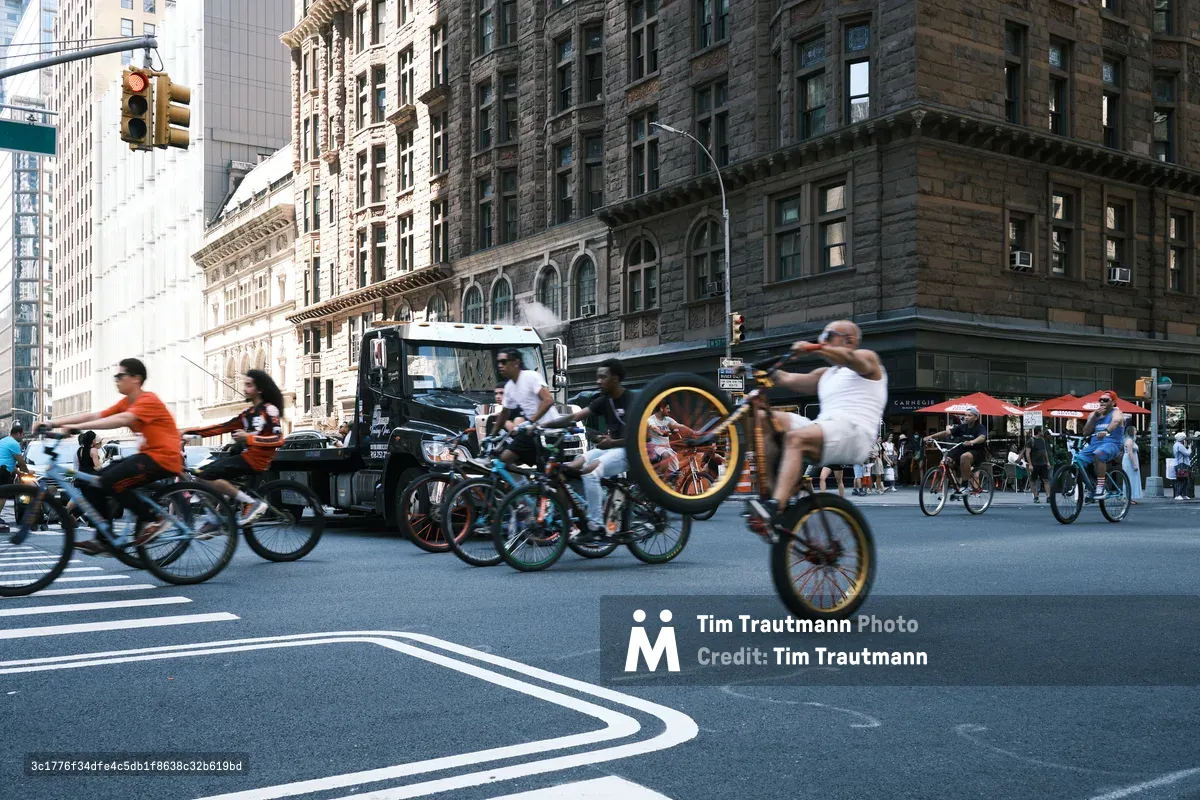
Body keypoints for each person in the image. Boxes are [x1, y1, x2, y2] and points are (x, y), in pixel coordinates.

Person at [752, 320, 888, 524]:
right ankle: (775, 496)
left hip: (854, 433)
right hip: (826, 427)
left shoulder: (868, 359)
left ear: (849, 339)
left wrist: (814, 348)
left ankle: (775, 506)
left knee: (795, 438)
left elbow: (849, 358)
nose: (822, 340)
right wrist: (754, 368)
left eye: (828, 336)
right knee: (763, 418)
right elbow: (787, 379)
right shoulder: (826, 374)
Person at [47, 358, 182, 554]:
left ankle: (156, 520)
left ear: (135, 378)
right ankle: (104, 540)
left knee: (111, 481)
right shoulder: (127, 402)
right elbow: (95, 416)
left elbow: (120, 420)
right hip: (147, 456)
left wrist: (76, 428)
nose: (116, 380)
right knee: (95, 481)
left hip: (163, 458)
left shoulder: (148, 400)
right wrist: (53, 424)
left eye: (120, 376)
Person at [181, 370, 285, 525]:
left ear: (260, 389)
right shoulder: (247, 414)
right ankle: (219, 517)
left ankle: (251, 503)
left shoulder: (269, 410)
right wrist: (188, 433)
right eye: (245, 384)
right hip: (243, 456)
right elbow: (221, 428)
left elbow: (278, 439)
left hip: (255, 460)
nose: (245, 388)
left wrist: (248, 437)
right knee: (202, 475)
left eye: (249, 385)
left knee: (205, 475)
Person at [543, 359, 630, 538]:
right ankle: (569, 524)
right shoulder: (603, 400)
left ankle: (596, 525)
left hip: (631, 451)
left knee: (591, 472)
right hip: (611, 449)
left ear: (615, 378)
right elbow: (575, 416)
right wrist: (544, 425)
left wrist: (611, 443)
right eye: (597, 377)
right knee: (567, 470)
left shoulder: (632, 400)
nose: (598, 381)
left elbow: (645, 436)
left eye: (602, 377)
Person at [490, 348, 560, 465]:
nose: (500, 366)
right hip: (530, 431)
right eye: (498, 363)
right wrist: (491, 436)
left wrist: (530, 421)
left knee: (545, 472)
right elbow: (505, 413)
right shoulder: (509, 387)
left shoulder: (531, 377)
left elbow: (548, 400)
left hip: (548, 431)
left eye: (504, 362)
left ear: (516, 362)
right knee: (504, 460)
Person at [927, 406, 988, 499]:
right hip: (961, 449)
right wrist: (931, 436)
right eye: (965, 415)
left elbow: (982, 437)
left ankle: (964, 486)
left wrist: (972, 442)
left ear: (976, 417)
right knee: (946, 462)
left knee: (965, 457)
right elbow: (947, 433)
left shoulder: (980, 427)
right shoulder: (962, 427)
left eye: (969, 415)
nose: (966, 417)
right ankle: (956, 486)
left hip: (976, 451)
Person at [1075, 393, 1125, 500]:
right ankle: (1090, 486)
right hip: (1094, 445)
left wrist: (1106, 431)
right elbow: (1086, 432)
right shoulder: (1093, 414)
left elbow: (1116, 421)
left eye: (1106, 400)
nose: (1102, 402)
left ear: (1113, 402)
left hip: (1112, 444)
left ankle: (1100, 487)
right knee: (1078, 461)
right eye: (1100, 400)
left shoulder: (1116, 412)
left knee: (1099, 453)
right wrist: (1094, 418)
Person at [0, 423, 29, 533]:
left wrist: (18, 472)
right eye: (22, 435)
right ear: (18, 433)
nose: (22, 437)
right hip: (3, 472)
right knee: (2, 495)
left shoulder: (4, 441)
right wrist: (26, 472)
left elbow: (8, 461)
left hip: (3, 469)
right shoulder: (14, 444)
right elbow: (20, 461)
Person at [647, 400, 687, 474]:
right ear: (661, 409)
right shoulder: (651, 419)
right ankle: (658, 477)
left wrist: (692, 432)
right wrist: (662, 433)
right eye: (667, 408)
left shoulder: (668, 420)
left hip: (667, 447)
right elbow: (654, 428)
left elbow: (680, 426)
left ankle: (667, 479)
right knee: (666, 455)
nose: (669, 410)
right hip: (655, 447)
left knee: (676, 471)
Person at [1024, 426, 1051, 504]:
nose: (1042, 432)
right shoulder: (1031, 441)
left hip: (1043, 463)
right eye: (1041, 431)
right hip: (1035, 463)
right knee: (1033, 480)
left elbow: (1044, 451)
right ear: (1038, 432)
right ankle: (1035, 496)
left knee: (1046, 480)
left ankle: (1048, 496)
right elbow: (1027, 453)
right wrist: (1030, 464)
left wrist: (1047, 462)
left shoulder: (1042, 440)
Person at [1123, 430, 1141, 505]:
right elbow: (1130, 452)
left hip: (1131, 460)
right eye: (1134, 430)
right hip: (1129, 461)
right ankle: (1127, 497)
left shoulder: (1130, 440)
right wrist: (1134, 464)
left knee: (1131, 479)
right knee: (1129, 478)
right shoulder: (1129, 441)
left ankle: (1129, 497)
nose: (1136, 431)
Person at [1173, 431, 1190, 501]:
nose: (1184, 440)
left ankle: (1183, 494)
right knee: (1181, 479)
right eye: (1183, 439)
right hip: (1181, 464)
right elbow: (1187, 453)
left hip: (1180, 463)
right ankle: (1178, 494)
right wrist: (1190, 448)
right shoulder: (1179, 445)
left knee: (1183, 479)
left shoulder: (1176, 445)